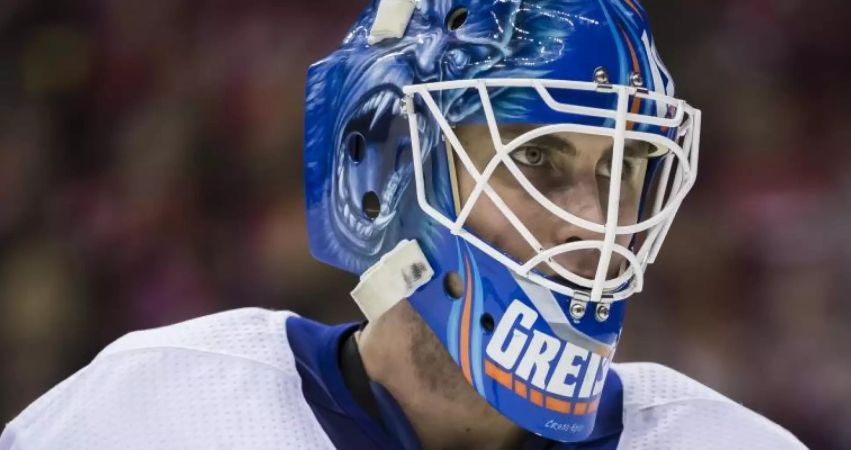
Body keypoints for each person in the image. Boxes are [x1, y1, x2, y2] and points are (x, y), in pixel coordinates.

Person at [0, 1, 806, 449]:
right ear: (388, 164)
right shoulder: (155, 410)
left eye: (621, 172)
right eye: (538, 163)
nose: (595, 225)